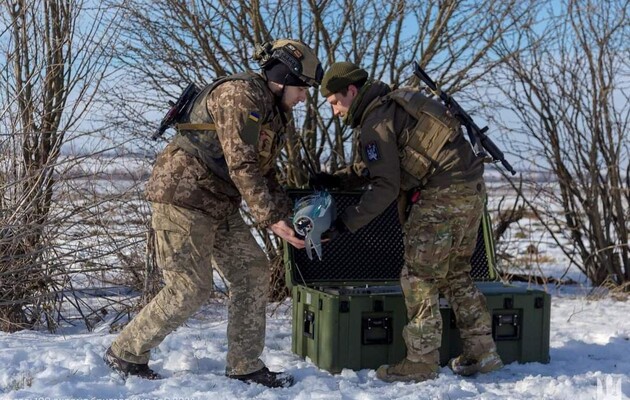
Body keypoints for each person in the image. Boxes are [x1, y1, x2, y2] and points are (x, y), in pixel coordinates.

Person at [104, 39, 323, 388]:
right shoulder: (241, 97)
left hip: (219, 203)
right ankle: (126, 352)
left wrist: (288, 217)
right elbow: (241, 163)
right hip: (183, 196)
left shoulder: (271, 110)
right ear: (282, 78)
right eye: (302, 89)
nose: (304, 98)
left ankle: (245, 366)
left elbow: (264, 172)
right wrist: (270, 219)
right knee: (190, 287)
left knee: (252, 269)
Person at [315, 62, 503, 382]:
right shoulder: (399, 103)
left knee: (419, 277)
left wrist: (347, 222)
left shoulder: (377, 121)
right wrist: (339, 180)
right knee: (456, 273)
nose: (334, 111)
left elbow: (386, 186)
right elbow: (389, 166)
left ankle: (421, 361)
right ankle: (483, 352)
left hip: (439, 199)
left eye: (334, 102)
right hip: (471, 193)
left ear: (351, 91)